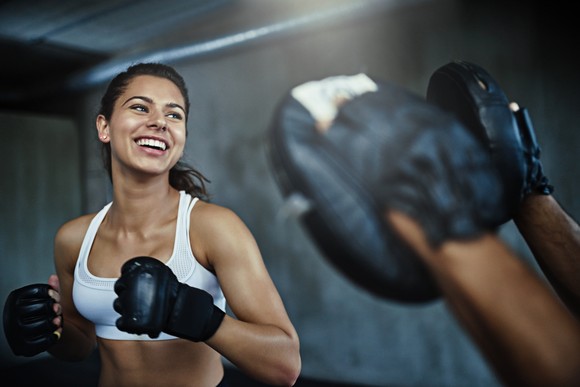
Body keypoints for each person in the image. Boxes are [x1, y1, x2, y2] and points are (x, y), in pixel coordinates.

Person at [3, 63, 301, 387]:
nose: (159, 121)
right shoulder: (73, 239)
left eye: (174, 115)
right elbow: (80, 344)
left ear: (182, 138)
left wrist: (198, 317)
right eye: (140, 107)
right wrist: (50, 330)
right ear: (104, 127)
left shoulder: (212, 228)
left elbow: (285, 365)